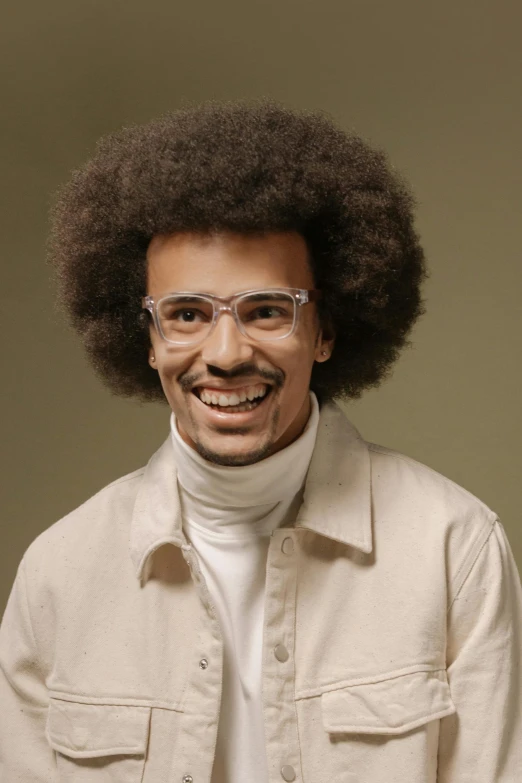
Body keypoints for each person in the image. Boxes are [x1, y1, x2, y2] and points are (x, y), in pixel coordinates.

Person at [0, 101, 520, 783]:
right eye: (186, 314)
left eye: (267, 310)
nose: (225, 352)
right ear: (148, 341)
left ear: (325, 330)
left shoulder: (454, 549)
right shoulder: (59, 575)